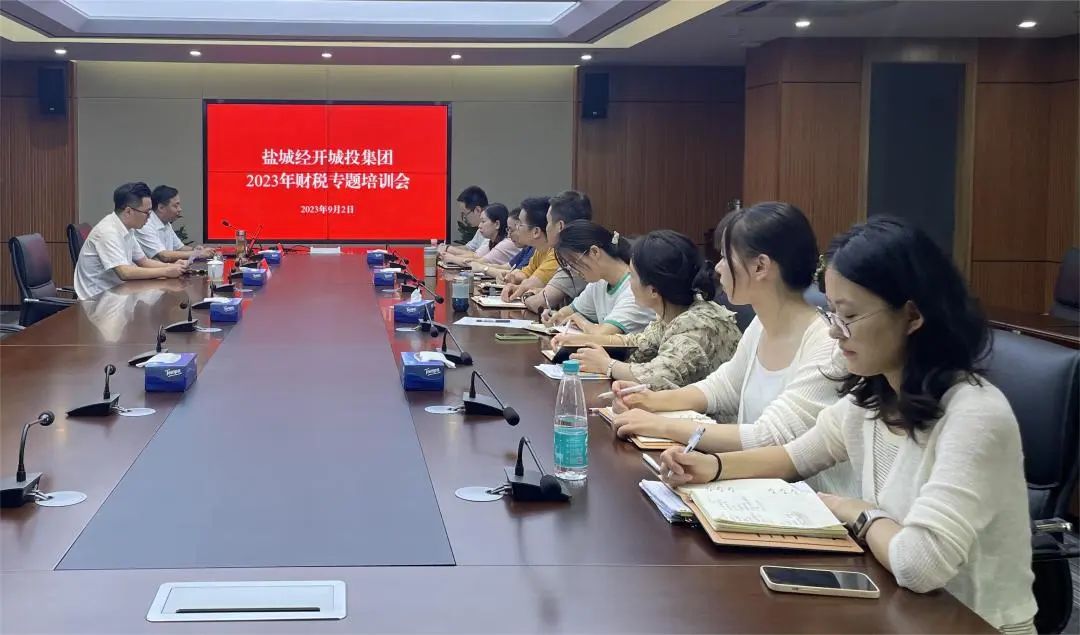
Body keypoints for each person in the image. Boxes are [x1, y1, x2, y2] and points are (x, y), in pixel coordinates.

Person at [659, 217, 1036, 634]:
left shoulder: (974, 415)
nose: (835, 333)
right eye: (833, 312)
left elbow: (919, 564)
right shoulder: (875, 396)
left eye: (850, 315)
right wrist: (713, 468)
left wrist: (858, 512)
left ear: (912, 315)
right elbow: (793, 456)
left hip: (968, 622)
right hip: (895, 608)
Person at [609, 202, 851, 495]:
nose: (718, 268)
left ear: (760, 266)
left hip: (808, 505)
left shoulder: (827, 344)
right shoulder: (761, 325)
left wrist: (659, 425)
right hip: (758, 490)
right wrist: (651, 401)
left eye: (725, 257)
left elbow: (769, 437)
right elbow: (723, 386)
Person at [552, 230, 741, 390]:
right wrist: (578, 342)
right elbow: (637, 342)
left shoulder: (698, 323)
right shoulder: (675, 312)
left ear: (653, 290)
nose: (629, 283)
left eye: (633, 276)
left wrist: (607, 365)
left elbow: (660, 376)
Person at [74, 182, 187, 299]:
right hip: (96, 300)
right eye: (147, 213)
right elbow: (124, 272)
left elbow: (144, 262)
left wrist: (171, 266)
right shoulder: (107, 232)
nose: (149, 218)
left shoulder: (128, 228)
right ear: (128, 211)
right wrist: (166, 271)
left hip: (118, 293)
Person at [540, 220, 654, 336]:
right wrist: (556, 316)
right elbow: (570, 311)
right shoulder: (600, 283)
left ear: (594, 252)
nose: (573, 270)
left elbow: (603, 334)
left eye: (573, 263)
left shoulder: (635, 289)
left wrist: (579, 320)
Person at [522, 190, 593, 314]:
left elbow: (539, 303)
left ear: (560, 226)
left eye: (548, 222)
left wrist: (527, 295)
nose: (546, 228)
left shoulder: (577, 259)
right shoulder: (578, 252)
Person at [500, 197, 560, 300]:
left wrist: (520, 285)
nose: (517, 228)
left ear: (536, 232)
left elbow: (531, 284)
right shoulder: (539, 250)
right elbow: (526, 273)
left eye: (520, 224)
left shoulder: (556, 254)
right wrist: (513, 277)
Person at [134, 185, 209, 263]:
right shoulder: (145, 224)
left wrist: (196, 250)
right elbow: (164, 256)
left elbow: (179, 248)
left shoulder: (166, 223)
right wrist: (197, 254)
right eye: (176, 206)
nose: (180, 209)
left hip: (167, 268)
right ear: (161, 208)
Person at [441, 203, 519, 266]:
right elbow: (476, 256)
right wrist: (447, 255)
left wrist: (452, 258)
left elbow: (479, 262)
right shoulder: (490, 241)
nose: (479, 226)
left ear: (497, 224)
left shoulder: (506, 243)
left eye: (483, 221)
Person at [471, 208, 533, 275]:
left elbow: (516, 275)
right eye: (508, 230)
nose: (509, 235)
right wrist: (481, 266)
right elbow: (507, 267)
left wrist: (483, 268)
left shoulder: (508, 243)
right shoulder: (528, 248)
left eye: (512, 230)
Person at [440, 185, 489, 257]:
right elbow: (468, 248)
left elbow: (477, 256)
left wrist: (447, 249)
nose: (464, 219)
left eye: (465, 214)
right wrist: (445, 248)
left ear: (477, 210)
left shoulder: (492, 230)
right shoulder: (480, 229)